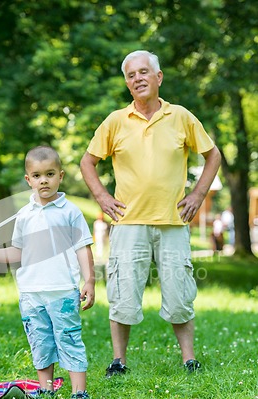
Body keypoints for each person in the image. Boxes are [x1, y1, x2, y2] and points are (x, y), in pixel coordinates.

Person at [80, 50, 221, 376]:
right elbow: (88, 162)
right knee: (123, 294)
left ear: (158, 77)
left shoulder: (181, 116)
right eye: (131, 75)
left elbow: (212, 155)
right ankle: (119, 361)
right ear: (127, 83)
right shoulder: (115, 121)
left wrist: (199, 193)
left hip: (173, 221)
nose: (138, 78)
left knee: (179, 293)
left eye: (144, 72)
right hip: (128, 222)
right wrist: (101, 196)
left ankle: (189, 359)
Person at [0, 146, 95, 399]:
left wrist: (89, 279)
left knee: (68, 339)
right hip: (30, 293)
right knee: (40, 342)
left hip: (62, 291)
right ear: (29, 180)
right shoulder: (24, 215)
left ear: (60, 176)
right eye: (37, 176)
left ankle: (79, 393)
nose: (44, 180)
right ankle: (45, 390)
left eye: (49, 174)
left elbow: (83, 247)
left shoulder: (70, 212)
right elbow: (17, 252)